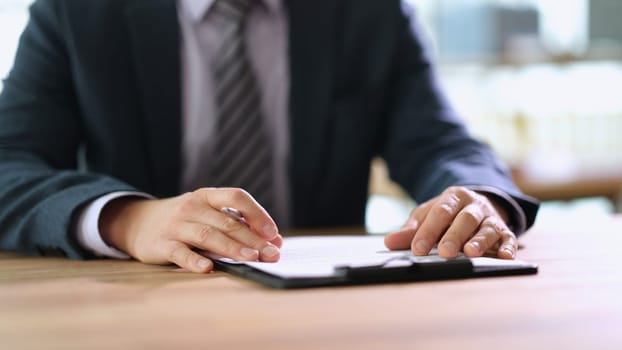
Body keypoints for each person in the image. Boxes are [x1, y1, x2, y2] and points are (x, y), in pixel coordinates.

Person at [0, 0, 539, 273]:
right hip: (143, 305)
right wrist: (127, 219)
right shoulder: (76, 11)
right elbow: (8, 162)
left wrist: (479, 198)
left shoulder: (366, 11)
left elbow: (441, 141)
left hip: (319, 308)